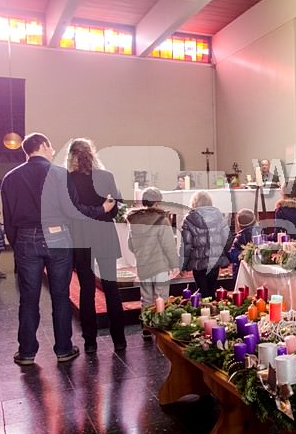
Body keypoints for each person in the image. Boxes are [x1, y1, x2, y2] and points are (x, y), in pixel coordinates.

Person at [1, 133, 116, 366]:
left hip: (26, 238)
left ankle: (26, 352)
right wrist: (101, 210)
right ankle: (63, 349)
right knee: (61, 296)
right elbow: (73, 211)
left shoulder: (10, 178)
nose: (53, 150)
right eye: (51, 146)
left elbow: (8, 219)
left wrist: (18, 244)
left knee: (28, 298)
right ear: (43, 146)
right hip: (58, 236)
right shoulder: (59, 174)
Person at [66, 138, 126, 354]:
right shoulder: (106, 176)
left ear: (71, 155)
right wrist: (104, 209)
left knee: (87, 290)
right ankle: (119, 340)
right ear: (92, 153)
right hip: (104, 233)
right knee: (111, 287)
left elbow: (72, 210)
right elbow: (115, 209)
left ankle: (90, 342)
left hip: (82, 236)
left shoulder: (68, 179)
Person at [127, 188, 179, 340]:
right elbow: (168, 245)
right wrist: (174, 264)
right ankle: (160, 328)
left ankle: (146, 328)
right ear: (157, 203)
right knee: (161, 296)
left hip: (143, 266)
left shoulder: (134, 221)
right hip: (160, 265)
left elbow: (130, 245)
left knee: (146, 298)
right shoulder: (161, 220)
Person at [181, 191, 231, 298]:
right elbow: (227, 238)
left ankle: (204, 307)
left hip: (198, 262)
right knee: (212, 290)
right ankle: (213, 307)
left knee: (202, 292)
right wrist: (222, 253)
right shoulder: (219, 216)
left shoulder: (189, 218)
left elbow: (186, 245)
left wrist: (183, 264)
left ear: (194, 203)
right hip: (214, 260)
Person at [228, 209, 261, 284]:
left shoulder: (238, 238)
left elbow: (233, 256)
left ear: (239, 225)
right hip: (257, 271)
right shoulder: (259, 235)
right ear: (255, 222)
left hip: (241, 272)